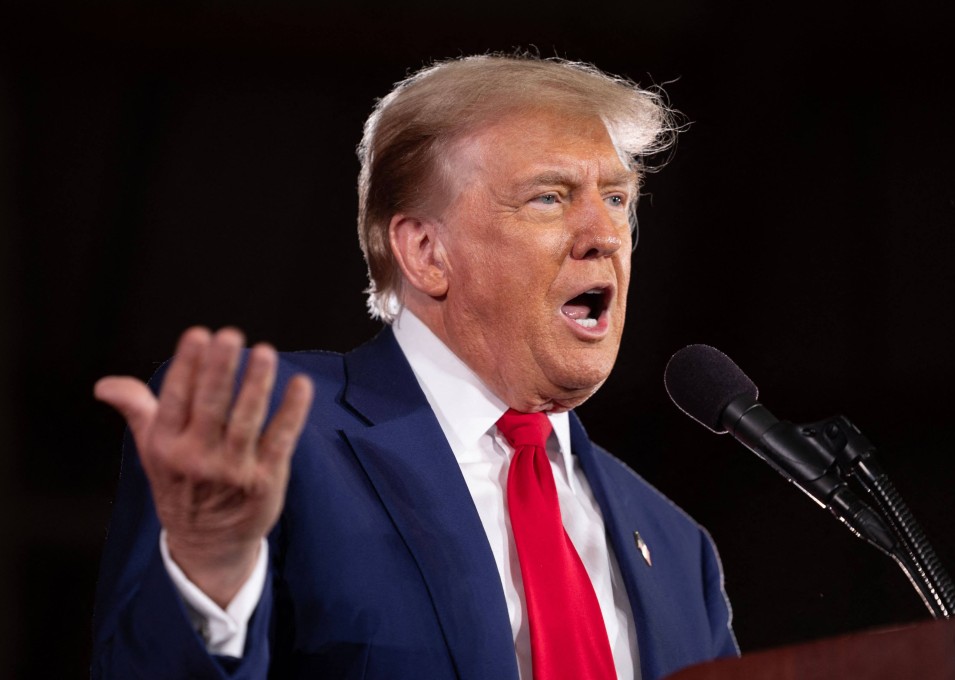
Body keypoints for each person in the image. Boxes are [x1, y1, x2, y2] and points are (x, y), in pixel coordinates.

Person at [92, 54, 738, 679]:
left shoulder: (679, 550)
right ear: (426, 252)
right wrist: (208, 578)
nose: (605, 234)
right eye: (549, 197)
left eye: (620, 199)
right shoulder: (270, 436)